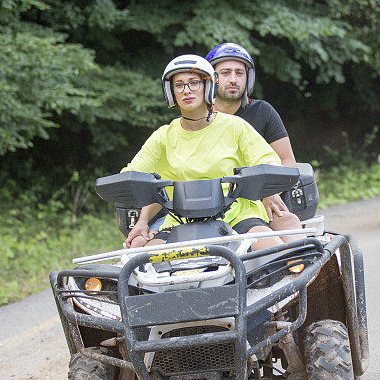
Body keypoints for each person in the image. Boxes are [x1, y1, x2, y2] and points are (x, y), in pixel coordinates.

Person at [121, 54, 302, 251]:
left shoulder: (235, 126)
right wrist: (141, 221)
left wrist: (268, 189)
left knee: (274, 255)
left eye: (194, 83)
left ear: (209, 87)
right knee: (138, 265)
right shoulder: (162, 137)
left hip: (237, 217)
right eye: (179, 85)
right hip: (180, 221)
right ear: (171, 92)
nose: (186, 90)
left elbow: (269, 160)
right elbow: (132, 174)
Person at [205, 42, 298, 225]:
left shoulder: (263, 111)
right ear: (210, 78)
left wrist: (268, 192)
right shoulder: (197, 118)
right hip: (209, 205)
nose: (233, 79)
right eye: (225, 73)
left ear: (249, 78)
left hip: (261, 201)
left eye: (239, 73)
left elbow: (287, 162)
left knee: (289, 224)